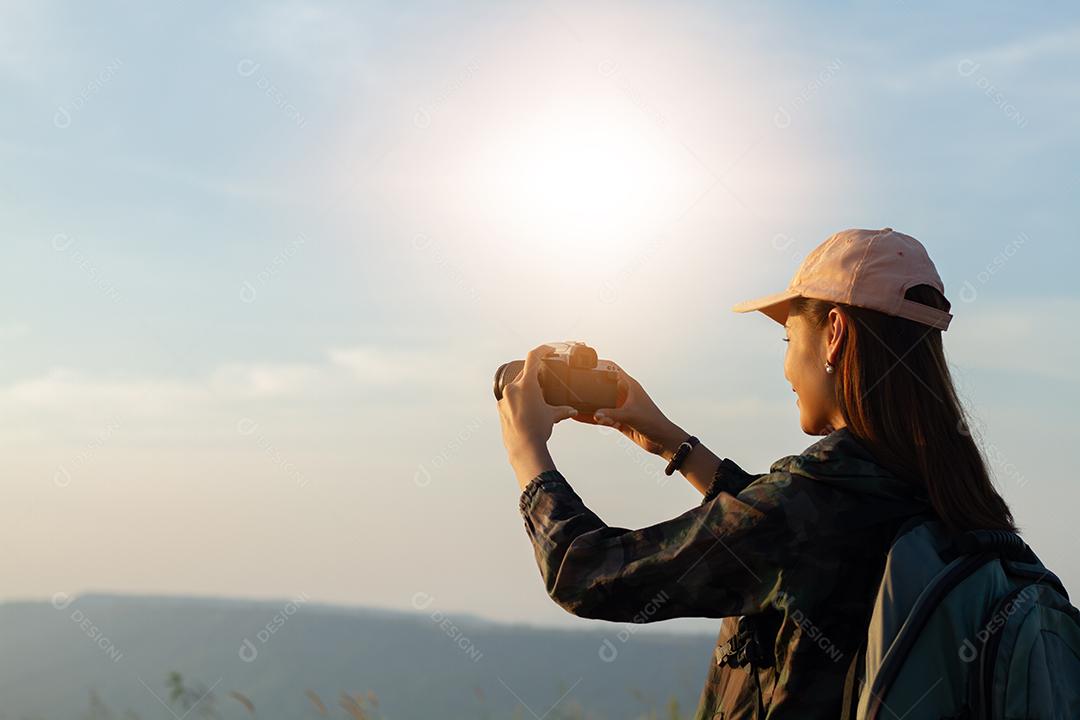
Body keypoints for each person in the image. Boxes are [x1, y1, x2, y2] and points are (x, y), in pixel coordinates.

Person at [496, 228, 1017, 720]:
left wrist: (527, 454)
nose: (787, 367)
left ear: (833, 334)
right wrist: (673, 444)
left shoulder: (810, 504)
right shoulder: (950, 493)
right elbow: (792, 538)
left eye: (788, 339)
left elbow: (586, 573)